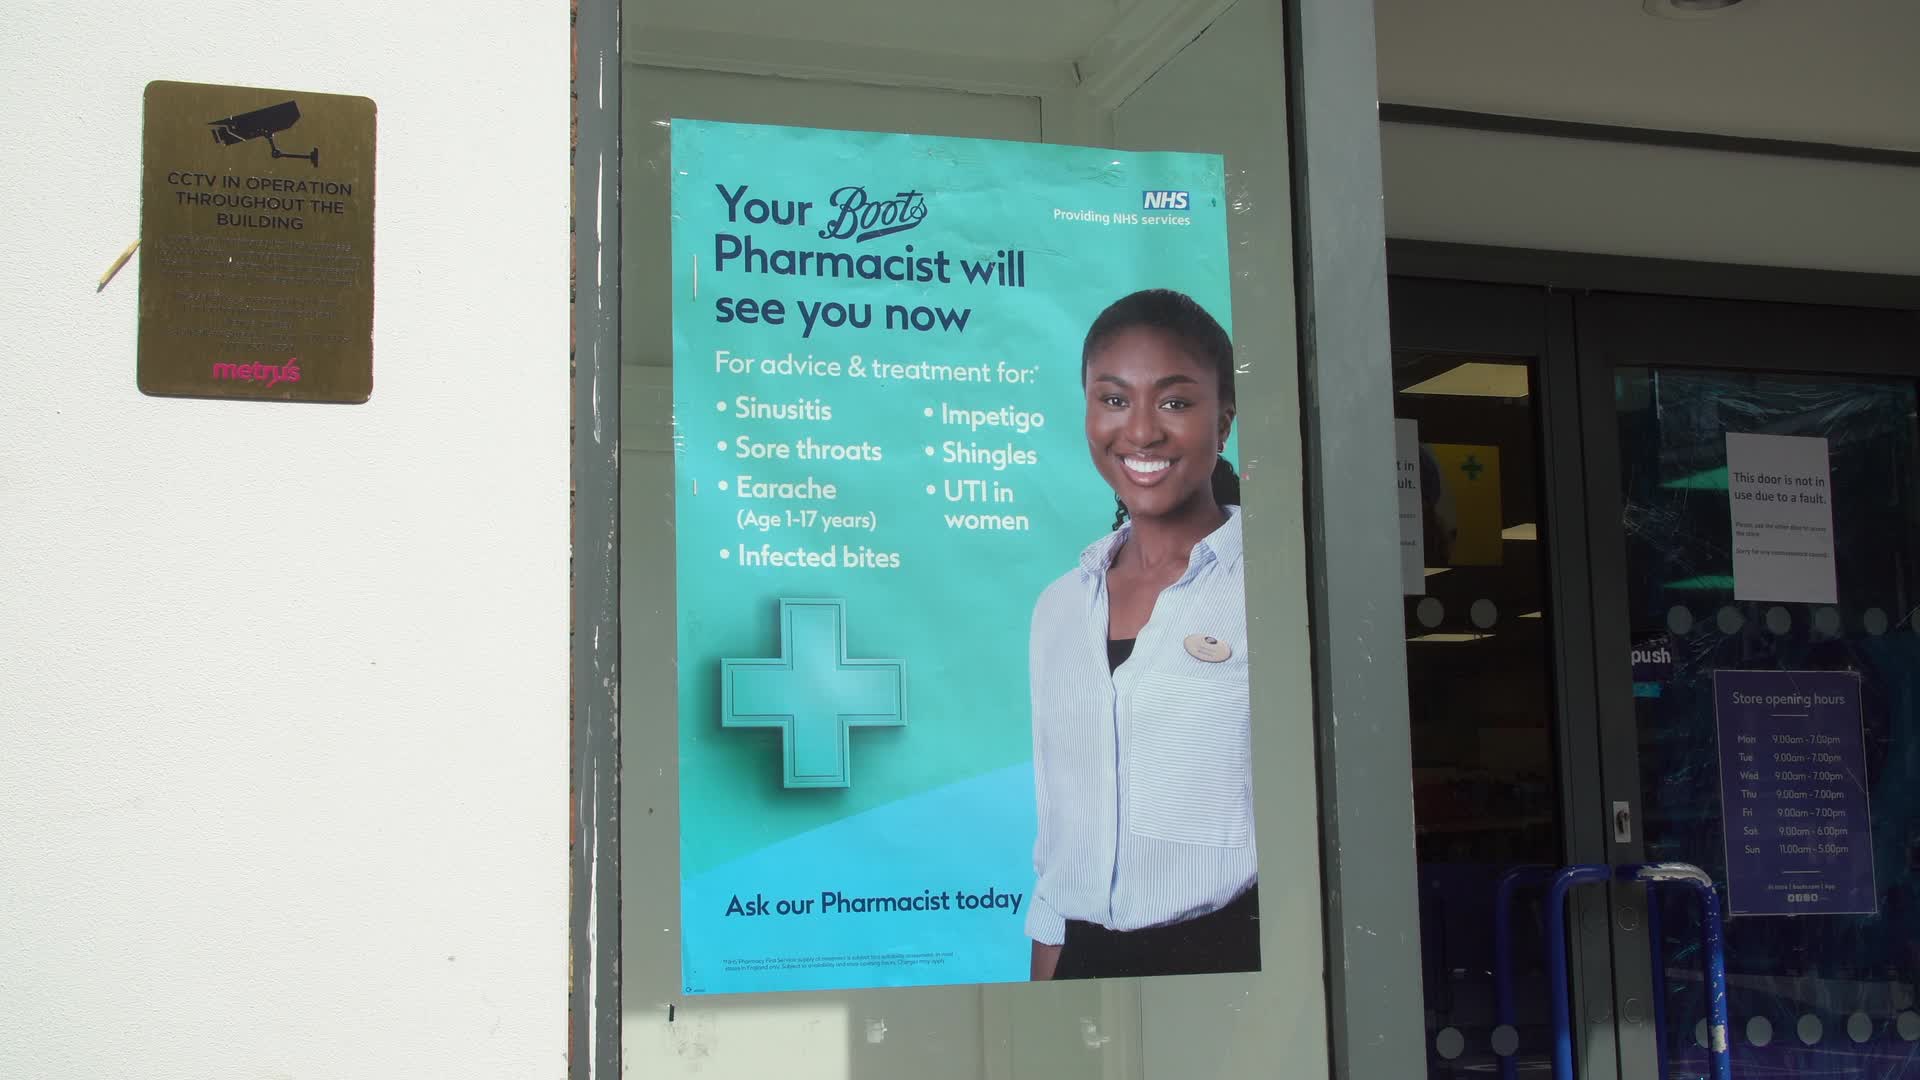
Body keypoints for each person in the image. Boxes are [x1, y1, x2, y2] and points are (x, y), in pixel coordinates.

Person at [1027, 288, 1259, 981]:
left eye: (1175, 402)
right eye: (1114, 399)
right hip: (1085, 961)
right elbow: (1056, 832)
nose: (1141, 432)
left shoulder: (1272, 591)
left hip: (1235, 959)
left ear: (1222, 423)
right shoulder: (1060, 606)